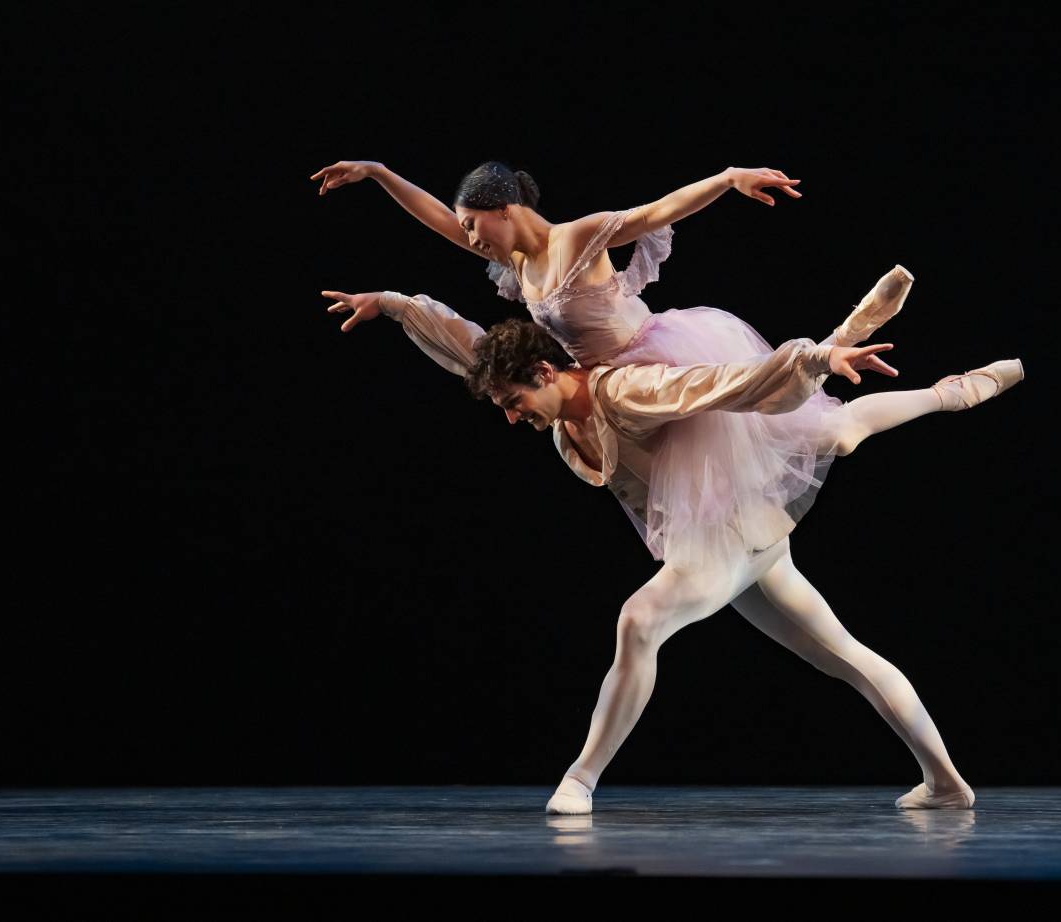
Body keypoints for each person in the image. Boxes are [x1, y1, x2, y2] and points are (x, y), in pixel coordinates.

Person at [320, 284, 1024, 813]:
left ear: (544, 375)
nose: (510, 417)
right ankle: (946, 782)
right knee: (847, 658)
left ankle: (580, 778)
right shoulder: (545, 390)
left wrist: (814, 357)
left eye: (512, 402)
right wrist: (394, 304)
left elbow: (722, 383)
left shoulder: (625, 390)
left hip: (723, 536)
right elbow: (468, 346)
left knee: (640, 619)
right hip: (741, 537)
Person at [310, 158, 914, 579]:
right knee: (494, 371)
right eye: (467, 229)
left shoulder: (574, 239)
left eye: (475, 225)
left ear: (505, 208)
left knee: (782, 420)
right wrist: (380, 175)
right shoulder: (517, 262)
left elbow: (653, 213)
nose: (470, 238)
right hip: (596, 381)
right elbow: (442, 221)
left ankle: (831, 350)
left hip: (653, 357)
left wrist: (728, 180)